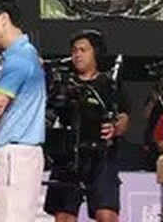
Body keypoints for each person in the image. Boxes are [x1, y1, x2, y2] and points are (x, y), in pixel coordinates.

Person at [0, 0, 45, 222]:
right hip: (5, 150)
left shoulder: (21, 59)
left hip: (18, 153)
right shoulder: (5, 61)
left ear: (3, 19)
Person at [43, 31, 129, 222]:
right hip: (68, 156)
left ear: (95, 53)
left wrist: (114, 129)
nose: (77, 54)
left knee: (106, 215)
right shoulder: (62, 84)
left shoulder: (109, 83)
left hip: (102, 156)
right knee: (64, 217)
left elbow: (123, 116)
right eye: (74, 50)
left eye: (83, 50)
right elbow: (50, 114)